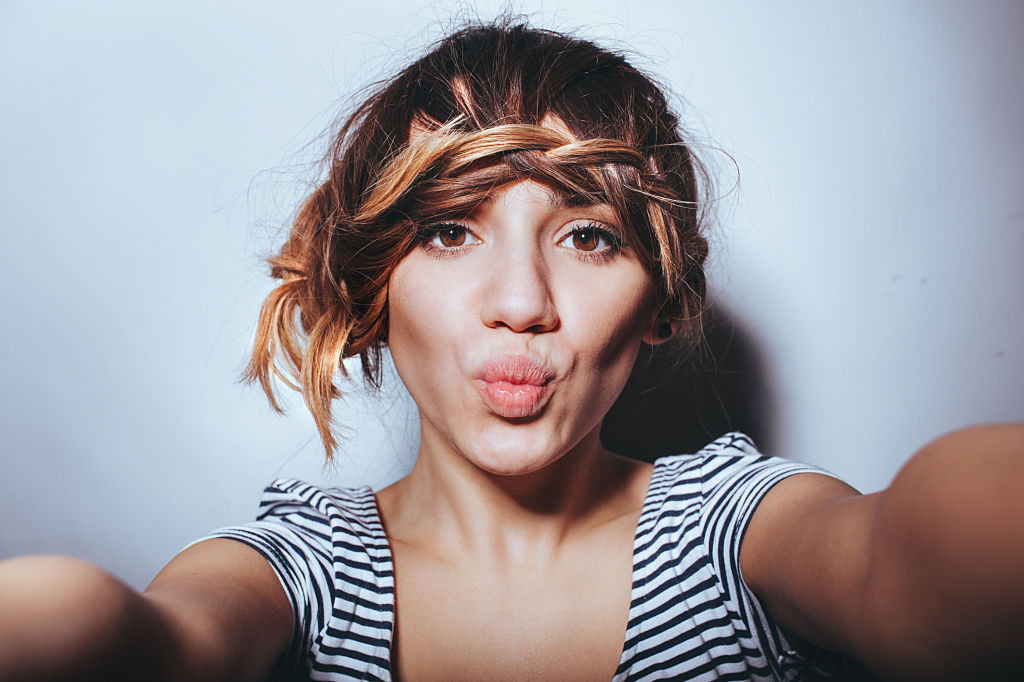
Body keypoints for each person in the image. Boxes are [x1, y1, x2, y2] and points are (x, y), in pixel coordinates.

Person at [0, 20, 1022, 682]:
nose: (523, 303)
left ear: (659, 301)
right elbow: (160, 638)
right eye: (452, 232)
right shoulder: (307, 572)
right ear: (373, 281)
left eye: (590, 238)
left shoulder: (730, 531)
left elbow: (906, 554)